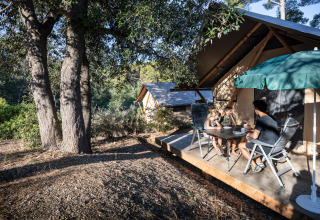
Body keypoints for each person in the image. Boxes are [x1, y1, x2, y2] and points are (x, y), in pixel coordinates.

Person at [238, 100, 280, 172]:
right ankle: (258, 161)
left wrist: (249, 134)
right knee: (252, 141)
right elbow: (264, 128)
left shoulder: (260, 120)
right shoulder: (271, 119)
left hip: (266, 148)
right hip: (275, 146)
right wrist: (253, 127)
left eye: (254, 108)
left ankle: (253, 164)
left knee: (240, 145)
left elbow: (254, 136)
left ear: (257, 109)